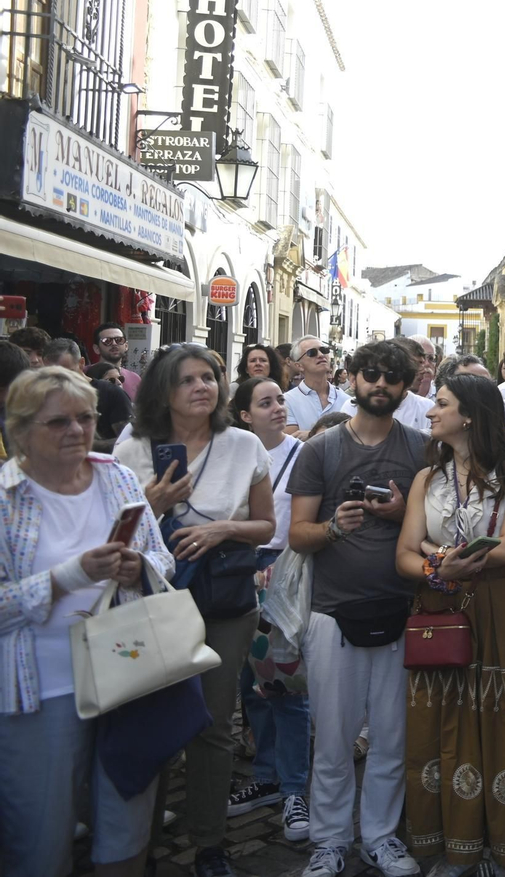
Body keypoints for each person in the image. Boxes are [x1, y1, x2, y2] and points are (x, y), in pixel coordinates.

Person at [0, 367, 171, 877]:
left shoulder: (115, 476)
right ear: (20, 429)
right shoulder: (6, 499)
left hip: (125, 673)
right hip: (39, 690)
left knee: (126, 821)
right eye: (58, 422)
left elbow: (162, 559)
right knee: (40, 832)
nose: (76, 430)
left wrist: (140, 568)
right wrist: (69, 576)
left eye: (85, 417)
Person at [114, 345, 276, 877]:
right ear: (164, 390)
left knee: (212, 722)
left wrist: (221, 528)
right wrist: (155, 505)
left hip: (225, 600)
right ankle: (140, 837)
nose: (203, 386)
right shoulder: (135, 446)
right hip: (154, 599)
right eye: (188, 380)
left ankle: (209, 841)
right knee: (154, 716)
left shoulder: (244, 444)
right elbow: (111, 532)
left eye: (209, 377)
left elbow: (265, 527)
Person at [396, 376, 505, 875]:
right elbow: (402, 552)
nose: (430, 413)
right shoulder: (427, 478)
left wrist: (436, 554)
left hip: (502, 608)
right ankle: (459, 846)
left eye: (441, 404)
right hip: (442, 609)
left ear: (468, 415)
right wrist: (434, 566)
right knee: (446, 724)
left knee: (504, 722)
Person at [287, 340, 430, 877]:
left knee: (393, 737)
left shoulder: (420, 449)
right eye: (370, 375)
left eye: (391, 377)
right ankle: (328, 840)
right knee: (334, 739)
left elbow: (436, 531)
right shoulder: (320, 450)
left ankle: (380, 837)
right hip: (331, 613)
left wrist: (399, 514)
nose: (380, 385)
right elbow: (298, 535)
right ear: (352, 378)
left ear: (405, 384)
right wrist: (332, 527)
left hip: (402, 611)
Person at [226, 376, 312, 842]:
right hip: (239, 570)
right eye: (266, 402)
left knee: (284, 683)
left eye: (281, 399)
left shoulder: (303, 455)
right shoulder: (232, 456)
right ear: (244, 415)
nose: (279, 407)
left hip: (283, 572)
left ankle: (295, 786)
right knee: (250, 685)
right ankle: (266, 774)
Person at [284, 337, 349, 438]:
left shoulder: (346, 400)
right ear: (299, 366)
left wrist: (310, 434)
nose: (321, 355)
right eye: (312, 353)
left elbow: (354, 437)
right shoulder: (287, 401)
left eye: (324, 350)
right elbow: (292, 441)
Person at [93, 321, 141, 398]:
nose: (114, 344)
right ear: (96, 348)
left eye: (119, 340)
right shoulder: (85, 374)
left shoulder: (135, 379)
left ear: (126, 346)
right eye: (107, 341)